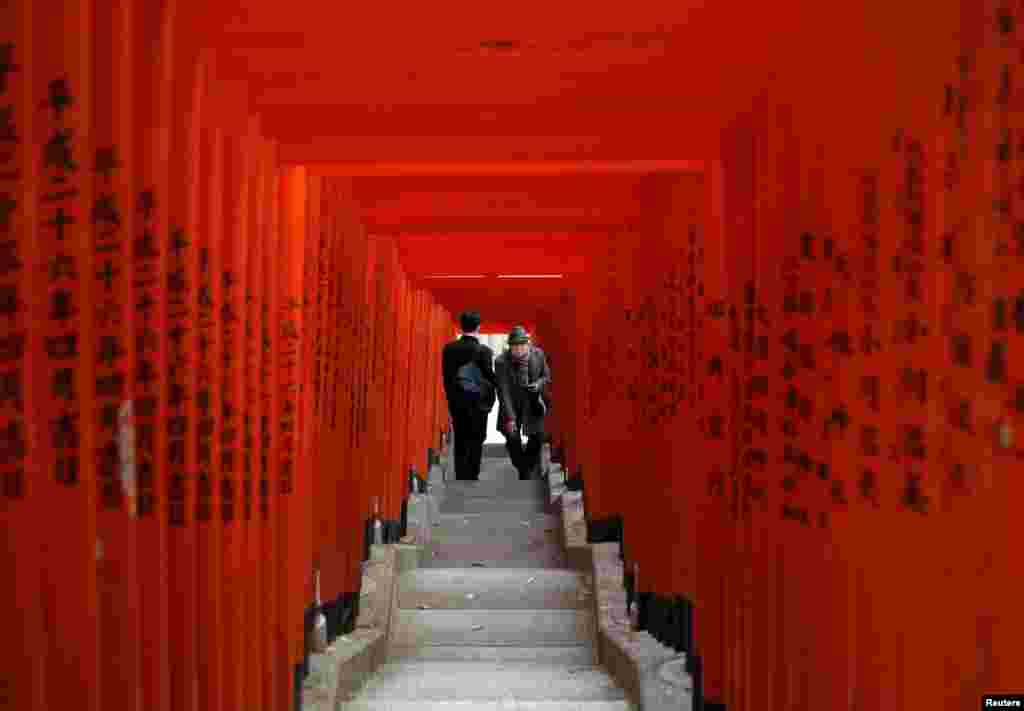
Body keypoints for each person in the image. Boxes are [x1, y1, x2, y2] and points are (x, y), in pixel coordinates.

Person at [442, 311, 497, 481]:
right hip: (478, 402)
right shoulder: (484, 351)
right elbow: (489, 377)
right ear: (478, 327)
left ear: (461, 326)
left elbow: (446, 376)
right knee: (476, 437)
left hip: (457, 401)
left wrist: (451, 397)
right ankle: (472, 473)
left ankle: (460, 473)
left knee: (460, 436)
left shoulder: (449, 349)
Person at [494, 325, 552, 480]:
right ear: (510, 347)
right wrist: (511, 418)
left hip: (531, 403)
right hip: (511, 405)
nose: (519, 349)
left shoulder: (538, 354)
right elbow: (503, 391)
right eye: (515, 346)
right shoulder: (501, 362)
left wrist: (538, 384)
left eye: (522, 345)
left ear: (528, 344)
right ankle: (523, 469)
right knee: (513, 438)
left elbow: (546, 376)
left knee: (537, 438)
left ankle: (526, 468)